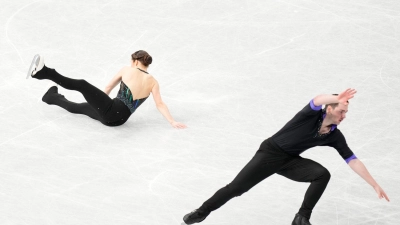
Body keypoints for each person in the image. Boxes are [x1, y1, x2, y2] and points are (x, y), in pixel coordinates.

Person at [183, 89, 389, 225]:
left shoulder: (334, 135)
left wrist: (374, 184)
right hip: (270, 153)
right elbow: (316, 100)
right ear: (330, 108)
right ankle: (202, 211)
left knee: (321, 174)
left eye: (345, 113)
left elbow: (352, 159)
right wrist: (336, 98)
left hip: (290, 160)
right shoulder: (310, 114)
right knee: (236, 189)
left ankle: (301, 218)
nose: (344, 116)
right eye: (342, 111)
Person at [27, 50, 187, 128]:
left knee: (82, 84)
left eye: (132, 61)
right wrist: (172, 121)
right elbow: (160, 104)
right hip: (117, 121)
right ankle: (51, 98)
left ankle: (43, 73)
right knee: (79, 108)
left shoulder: (127, 69)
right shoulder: (154, 82)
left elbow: (109, 87)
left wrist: (100, 102)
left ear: (136, 61)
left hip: (110, 109)